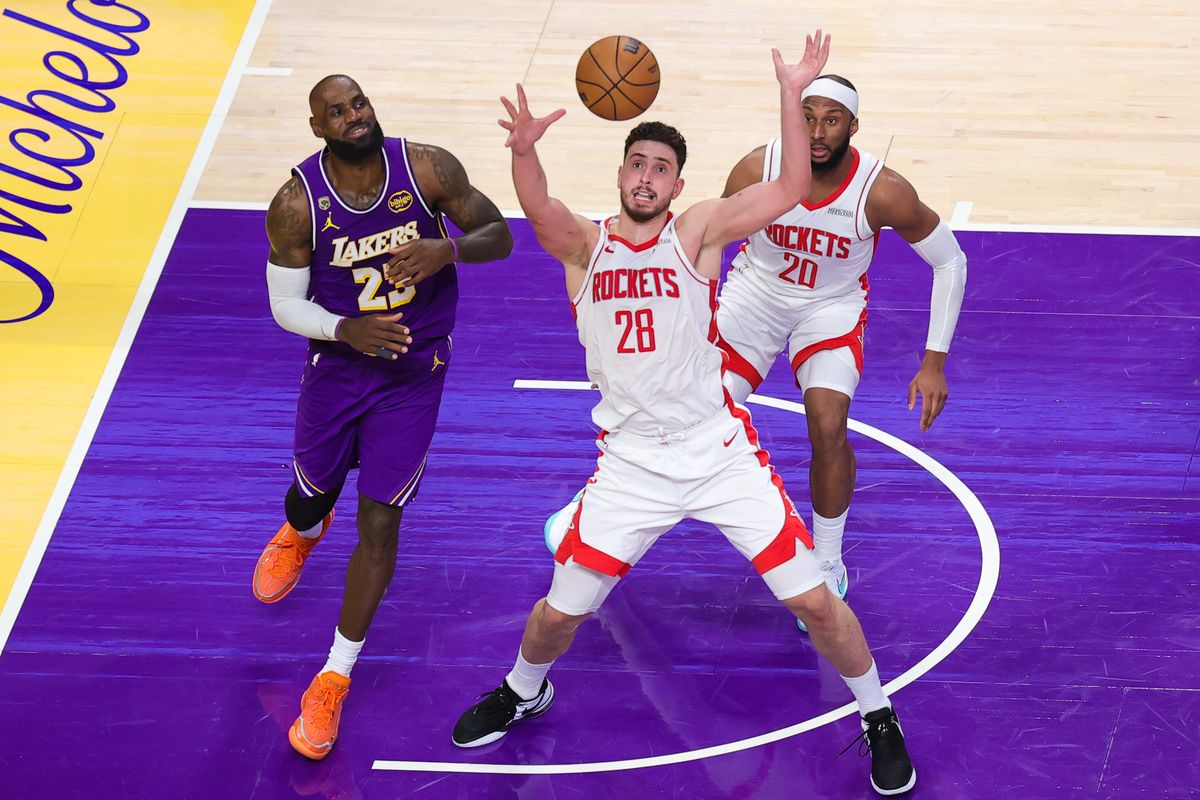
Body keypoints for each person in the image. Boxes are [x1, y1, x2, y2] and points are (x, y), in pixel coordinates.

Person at [454, 33, 917, 796]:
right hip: (632, 465)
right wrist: (526, 151)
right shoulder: (586, 248)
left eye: (661, 168)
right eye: (637, 163)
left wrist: (791, 90)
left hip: (717, 452)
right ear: (622, 173)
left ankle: (877, 714)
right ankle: (523, 688)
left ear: (676, 186)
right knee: (557, 617)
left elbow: (794, 184)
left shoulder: (696, 234)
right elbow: (537, 207)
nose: (647, 176)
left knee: (816, 603)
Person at [253, 74, 513, 761]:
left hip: (413, 373)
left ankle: (334, 674)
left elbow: (498, 233)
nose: (353, 116)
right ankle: (303, 530)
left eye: (359, 102)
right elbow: (285, 308)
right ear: (319, 127)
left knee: (382, 519)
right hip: (339, 367)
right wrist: (345, 329)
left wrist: (446, 248)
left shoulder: (427, 167)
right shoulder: (294, 203)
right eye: (336, 111)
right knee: (312, 494)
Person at [716, 74, 967, 629]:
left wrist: (934, 362)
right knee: (691, 411)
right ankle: (595, 515)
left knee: (827, 421)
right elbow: (707, 240)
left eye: (832, 119)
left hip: (828, 308)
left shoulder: (882, 190)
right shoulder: (758, 166)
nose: (816, 131)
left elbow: (951, 261)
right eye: (807, 116)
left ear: (853, 126)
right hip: (755, 294)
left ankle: (826, 559)